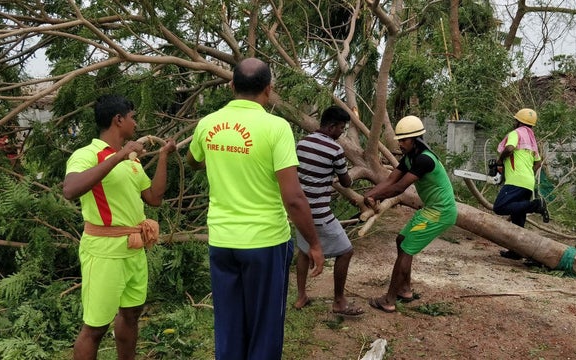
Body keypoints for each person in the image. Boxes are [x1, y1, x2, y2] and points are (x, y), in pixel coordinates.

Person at [186, 57, 325, 360]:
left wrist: (215, 155)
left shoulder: (207, 124)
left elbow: (193, 160)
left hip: (222, 242)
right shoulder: (276, 128)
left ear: (232, 85)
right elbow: (293, 197)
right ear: (269, 90)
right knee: (264, 327)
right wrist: (314, 242)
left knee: (229, 322)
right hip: (264, 243)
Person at [63, 94, 176, 360]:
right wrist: (121, 155)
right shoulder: (87, 154)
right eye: (133, 117)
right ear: (118, 119)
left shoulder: (133, 161)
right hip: (103, 252)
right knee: (95, 328)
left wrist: (162, 157)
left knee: (131, 315)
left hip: (134, 250)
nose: (136, 123)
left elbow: (154, 198)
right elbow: (70, 189)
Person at [364, 115, 457, 313]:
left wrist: (376, 197)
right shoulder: (410, 157)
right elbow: (390, 180)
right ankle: (404, 290)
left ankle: (389, 300)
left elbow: (399, 188)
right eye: (400, 140)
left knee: (406, 249)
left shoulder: (424, 159)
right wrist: (370, 194)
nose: (400, 144)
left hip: (440, 212)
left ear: (415, 140)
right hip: (432, 209)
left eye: (404, 140)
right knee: (401, 240)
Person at [293, 106, 363, 316]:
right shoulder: (335, 150)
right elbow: (346, 182)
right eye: (341, 128)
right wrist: (343, 175)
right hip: (320, 213)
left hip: (301, 210)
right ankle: (339, 302)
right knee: (346, 251)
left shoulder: (302, 144)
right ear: (332, 127)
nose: (341, 133)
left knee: (304, 251)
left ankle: (301, 296)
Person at [493, 108, 550, 260]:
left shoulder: (515, 134)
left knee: (499, 207)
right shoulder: (531, 141)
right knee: (518, 218)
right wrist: (526, 173)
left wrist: (499, 160)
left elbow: (510, 148)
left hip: (515, 181)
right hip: (528, 182)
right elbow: (538, 163)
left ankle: (536, 206)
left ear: (518, 121)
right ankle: (516, 251)